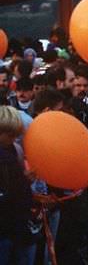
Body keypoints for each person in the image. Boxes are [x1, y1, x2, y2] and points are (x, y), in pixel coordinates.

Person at [0, 106, 31, 260]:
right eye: (10, 134)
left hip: (14, 223)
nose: (14, 137)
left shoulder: (15, 150)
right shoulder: (10, 155)